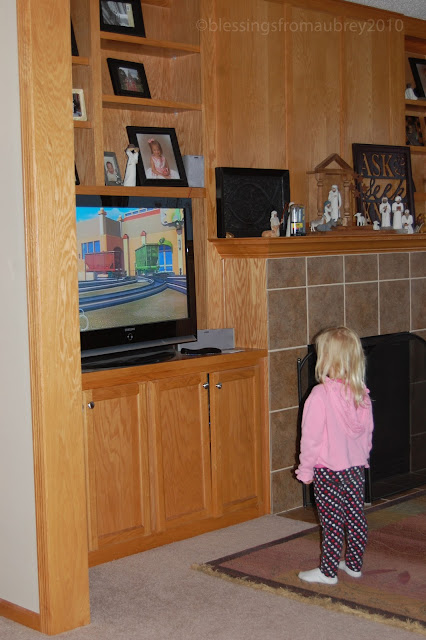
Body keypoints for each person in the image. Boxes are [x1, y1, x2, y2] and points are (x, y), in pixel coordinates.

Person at [295, 326, 374, 585]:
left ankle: (328, 572)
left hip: (328, 471)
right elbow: (367, 433)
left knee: (332, 522)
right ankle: (353, 564)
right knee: (355, 517)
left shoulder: (319, 395)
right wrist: (362, 458)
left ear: (326, 359)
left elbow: (311, 440)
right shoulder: (361, 393)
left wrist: (305, 470)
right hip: (354, 469)